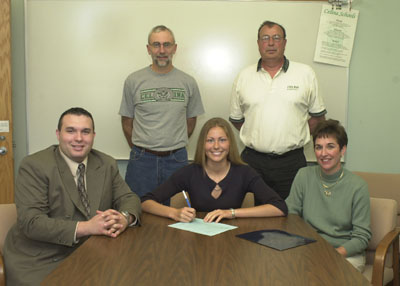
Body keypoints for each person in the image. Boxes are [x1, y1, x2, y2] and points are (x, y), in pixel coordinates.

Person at [3, 107, 142, 286]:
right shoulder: (34, 166)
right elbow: (32, 223)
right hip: (41, 257)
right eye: (70, 131)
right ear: (58, 134)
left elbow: (129, 198)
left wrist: (123, 218)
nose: (78, 138)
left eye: (85, 132)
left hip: (90, 251)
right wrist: (87, 227)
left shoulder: (106, 163)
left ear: (93, 135)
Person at [229, 20, 327, 200]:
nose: (271, 43)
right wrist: (259, 134)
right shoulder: (244, 76)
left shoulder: (305, 73)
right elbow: (236, 119)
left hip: (291, 163)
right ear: (258, 43)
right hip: (253, 162)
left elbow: (318, 118)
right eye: (265, 38)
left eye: (277, 38)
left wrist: (295, 133)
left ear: (285, 43)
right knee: (249, 217)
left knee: (289, 216)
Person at [141, 117, 287, 223]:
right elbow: (146, 201)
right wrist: (174, 213)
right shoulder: (189, 172)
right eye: (210, 140)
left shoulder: (245, 173)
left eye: (222, 140)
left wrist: (232, 213)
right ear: (202, 145)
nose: (216, 146)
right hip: (197, 242)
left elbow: (279, 207)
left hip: (235, 244)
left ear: (230, 144)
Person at [119, 25, 204, 203]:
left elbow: (190, 121)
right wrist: (143, 148)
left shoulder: (188, 82)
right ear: (148, 49)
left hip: (177, 160)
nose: (162, 50)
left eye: (167, 44)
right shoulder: (133, 81)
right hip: (142, 160)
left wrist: (171, 145)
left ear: (175, 48)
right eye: (156, 45)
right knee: (137, 211)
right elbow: (127, 122)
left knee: (178, 215)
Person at [285, 119, 371, 272]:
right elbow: (291, 215)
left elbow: (361, 237)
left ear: (342, 150)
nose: (323, 153)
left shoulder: (358, 186)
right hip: (309, 249)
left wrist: (331, 254)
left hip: (345, 254)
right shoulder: (303, 175)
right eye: (318, 147)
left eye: (330, 146)